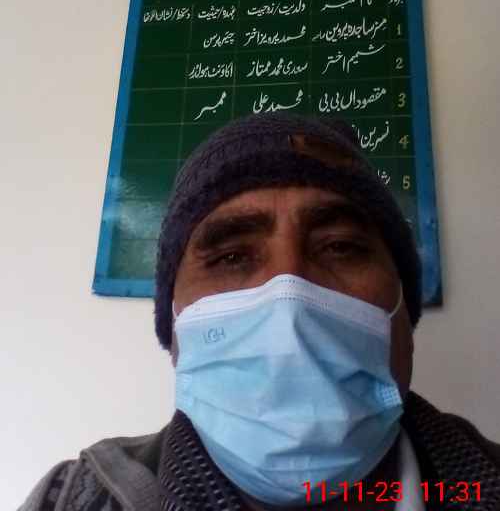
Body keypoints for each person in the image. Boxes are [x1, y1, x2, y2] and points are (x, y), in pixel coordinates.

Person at [19, 113, 500, 511]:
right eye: (231, 256)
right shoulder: (72, 499)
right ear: (174, 329)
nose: (289, 298)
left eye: (340, 247)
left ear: (404, 313)